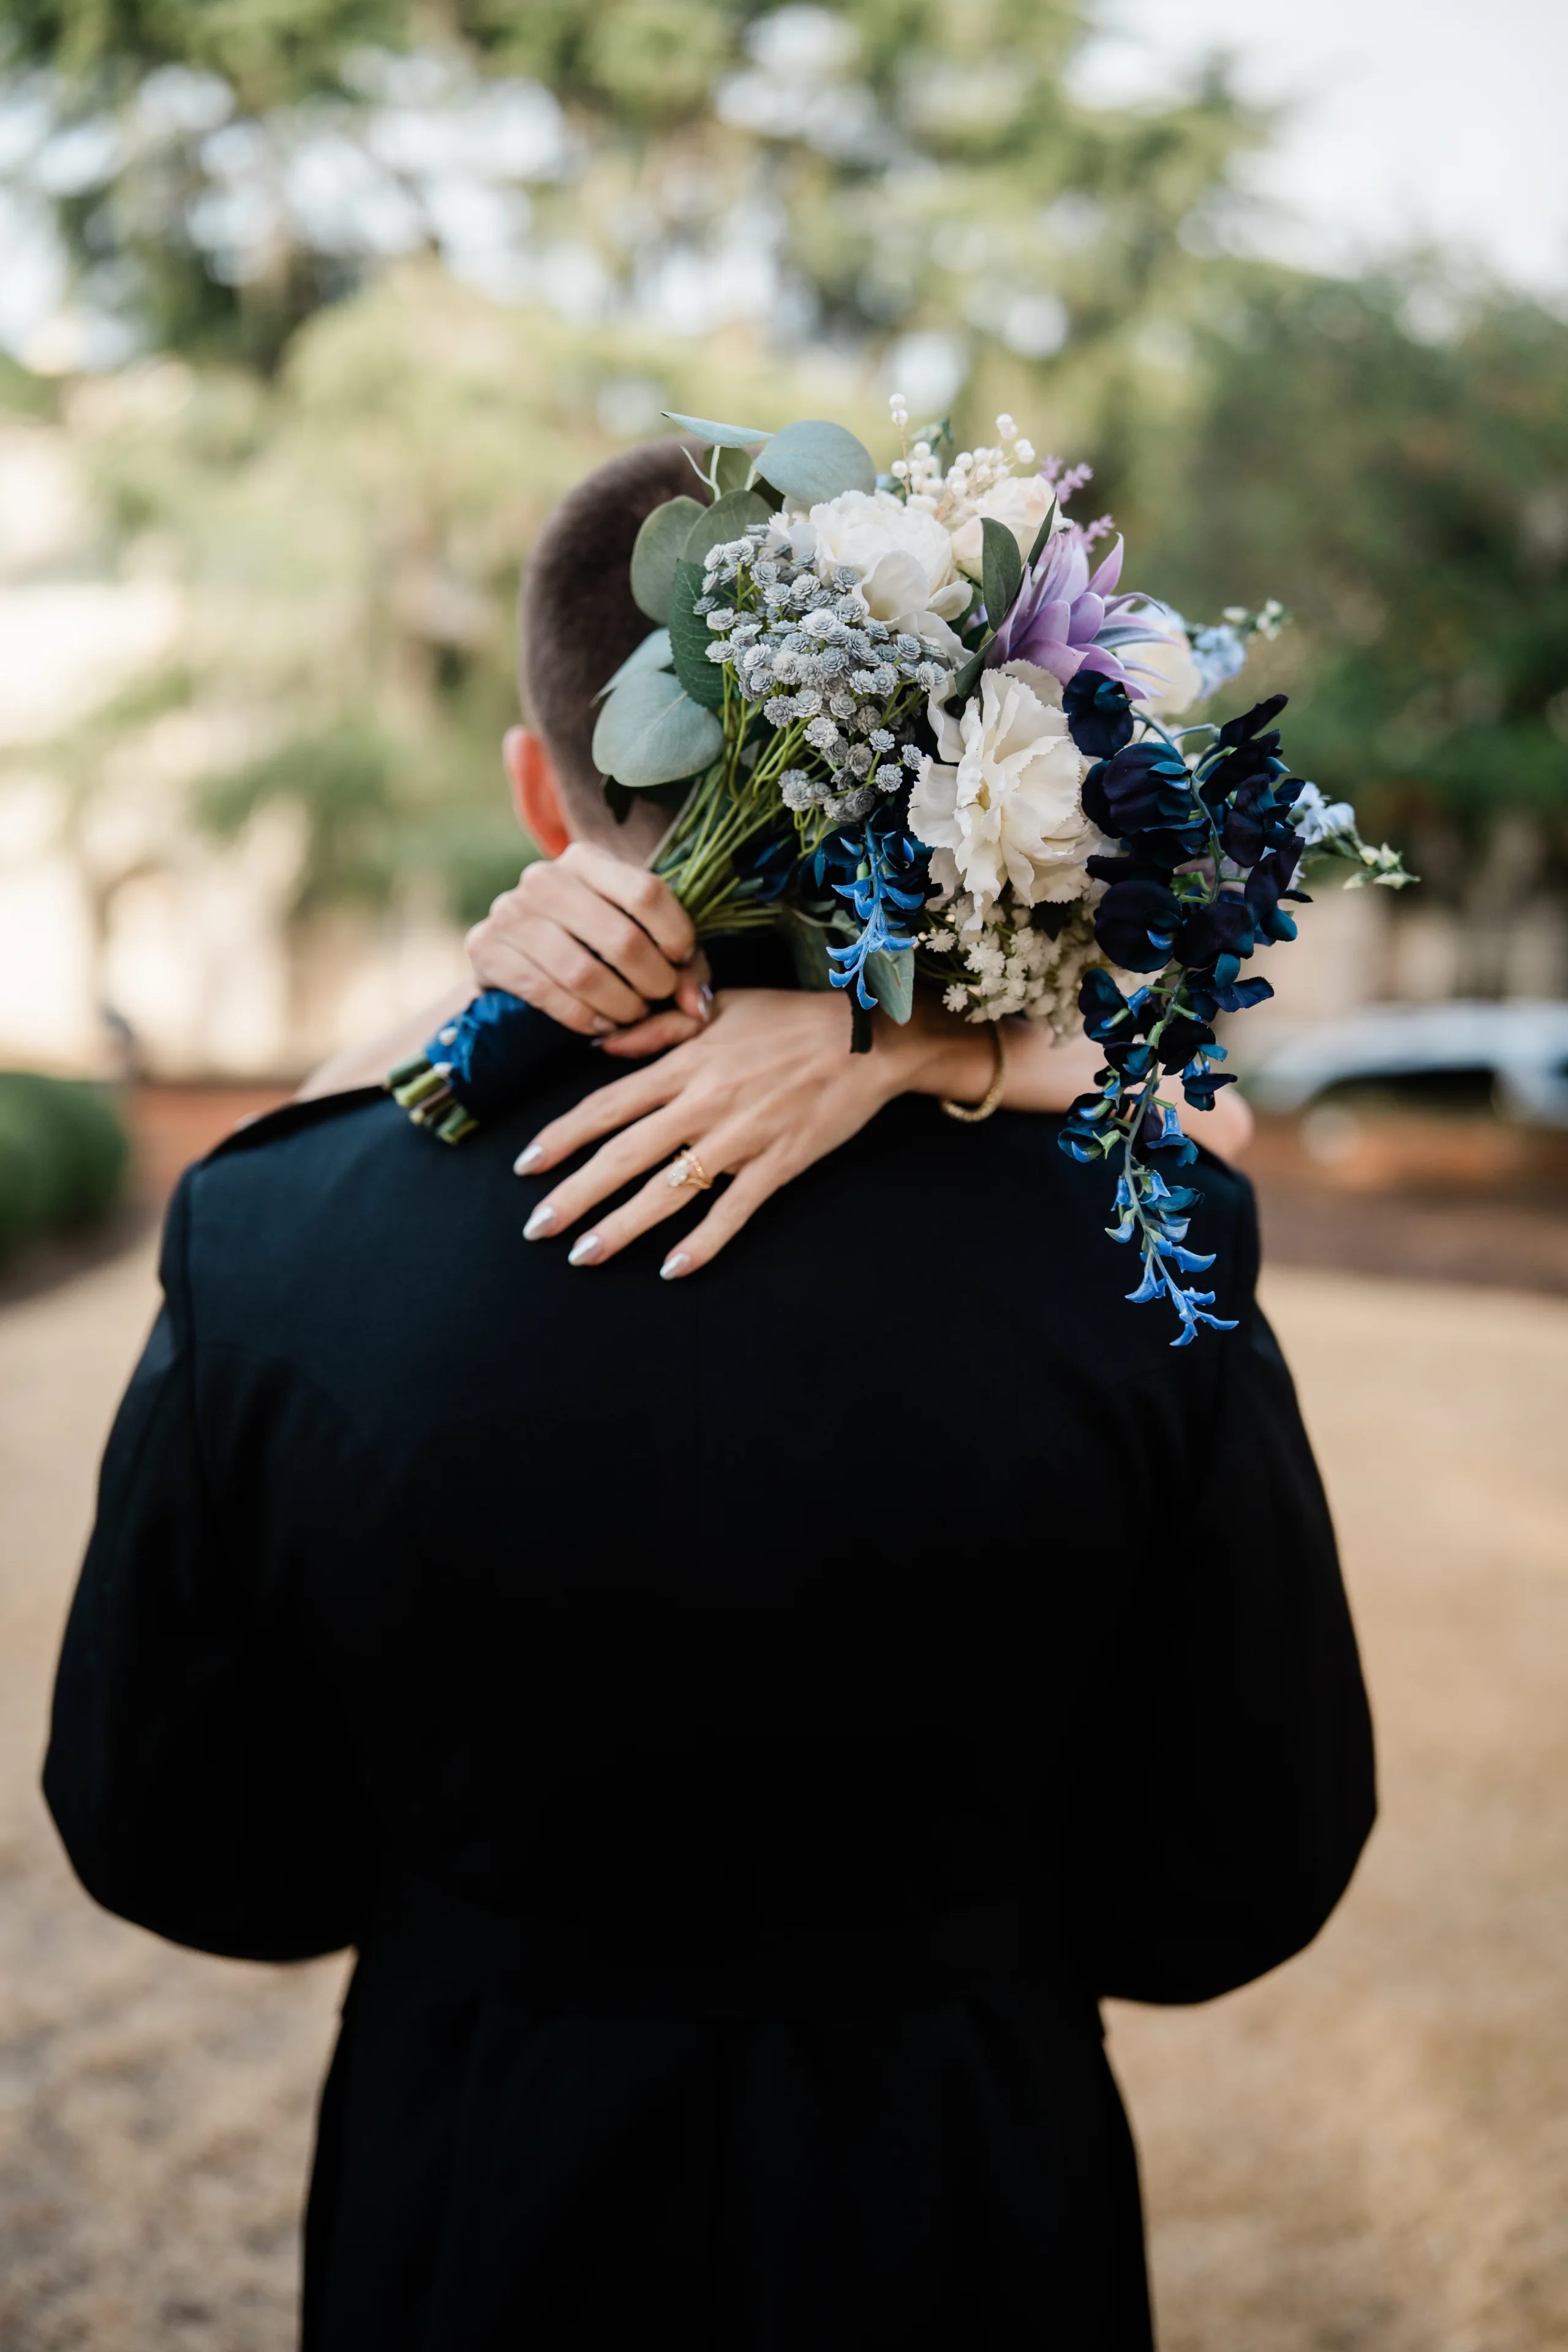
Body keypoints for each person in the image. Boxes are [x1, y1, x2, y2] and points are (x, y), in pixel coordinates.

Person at [45, 439, 1373, 2351]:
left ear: (536, 781)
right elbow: (1247, 1869)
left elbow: (169, 1838)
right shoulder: (1140, 1225)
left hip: (472, 2200)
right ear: (920, 772)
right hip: (970, 2212)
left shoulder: (270, 1235)